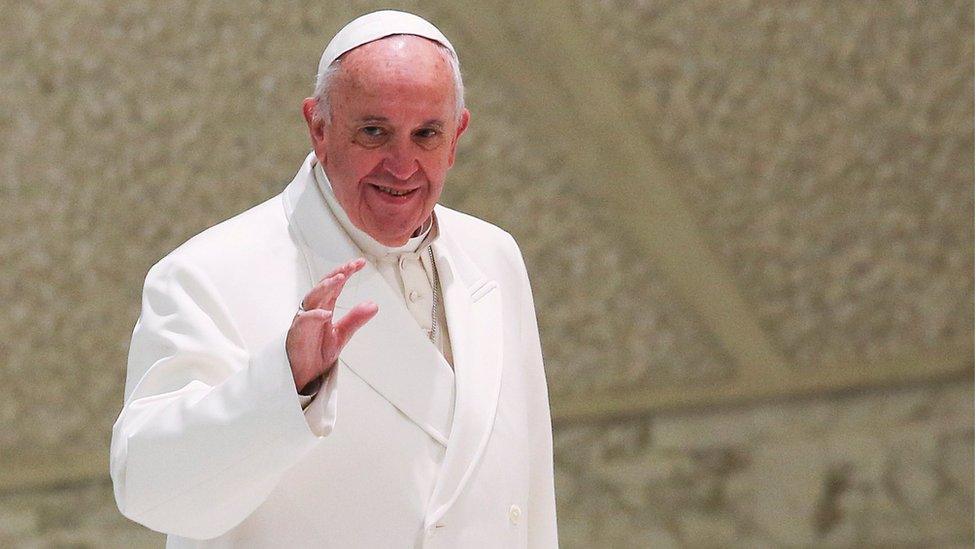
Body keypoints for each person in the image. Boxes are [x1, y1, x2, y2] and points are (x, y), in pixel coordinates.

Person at [109, 10, 558, 548]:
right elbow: (149, 489)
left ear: (456, 136)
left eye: (426, 135)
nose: (403, 164)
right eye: (374, 132)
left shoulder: (494, 255)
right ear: (319, 129)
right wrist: (284, 387)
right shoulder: (205, 276)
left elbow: (529, 491)